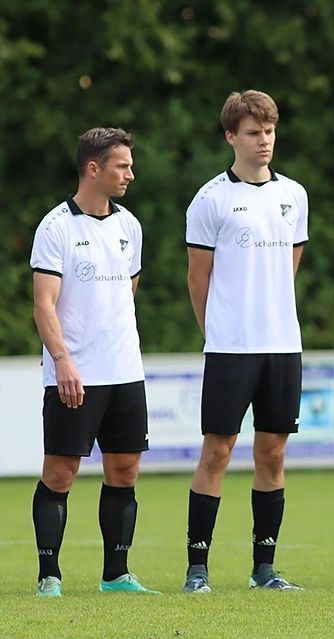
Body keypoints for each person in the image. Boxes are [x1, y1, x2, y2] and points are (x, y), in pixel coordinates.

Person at [182, 90, 308, 593]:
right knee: (218, 451)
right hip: (231, 347)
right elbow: (198, 279)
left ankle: (264, 569)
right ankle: (197, 569)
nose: (264, 141)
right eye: (254, 133)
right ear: (231, 136)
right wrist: (217, 332)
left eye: (270, 131)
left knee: (272, 454)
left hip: (283, 344)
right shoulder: (211, 198)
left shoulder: (294, 195)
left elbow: (290, 265)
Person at [30, 127, 159, 597]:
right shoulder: (57, 227)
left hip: (126, 371)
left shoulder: (129, 226)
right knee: (60, 473)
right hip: (75, 373)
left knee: (124, 471)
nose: (130, 173)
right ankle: (49, 575)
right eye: (122, 165)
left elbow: (129, 290)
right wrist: (62, 359)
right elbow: (44, 303)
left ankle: (116, 574)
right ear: (94, 168)